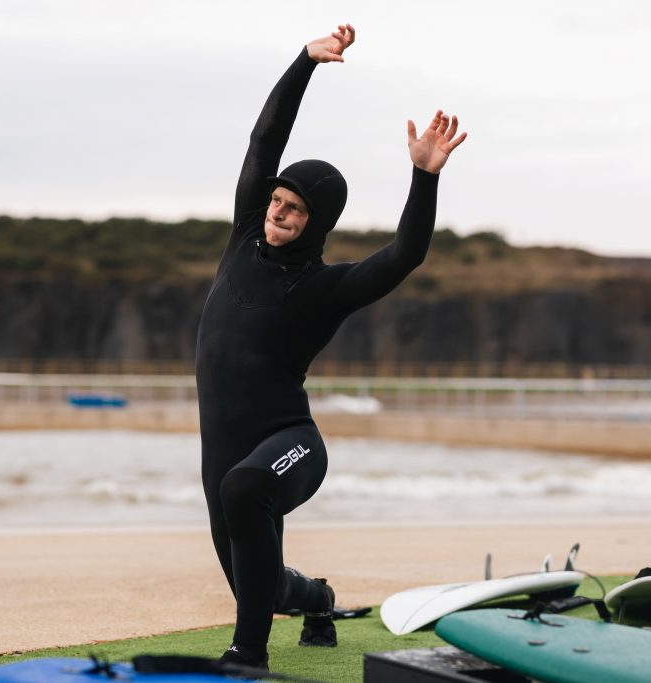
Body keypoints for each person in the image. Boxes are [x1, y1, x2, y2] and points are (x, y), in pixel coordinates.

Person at [194, 23, 466, 670]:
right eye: (276, 200)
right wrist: (304, 62)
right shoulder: (241, 239)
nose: (277, 213)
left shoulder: (321, 288)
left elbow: (404, 255)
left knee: (244, 491)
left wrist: (422, 177)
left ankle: (248, 655)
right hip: (225, 456)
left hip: (292, 447)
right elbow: (265, 139)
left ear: (316, 222)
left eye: (294, 209)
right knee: (256, 580)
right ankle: (317, 598)